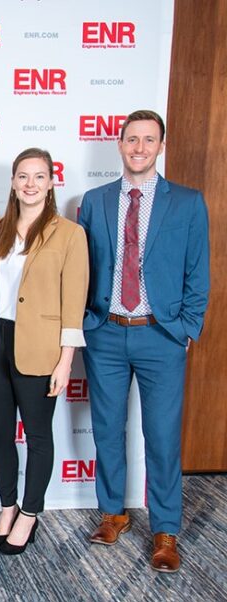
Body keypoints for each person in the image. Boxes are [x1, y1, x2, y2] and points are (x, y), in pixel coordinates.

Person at [79, 110, 210, 573]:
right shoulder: (94, 201)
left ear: (161, 145)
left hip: (162, 335)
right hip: (107, 332)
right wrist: (85, 322)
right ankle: (113, 512)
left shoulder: (188, 203)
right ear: (119, 143)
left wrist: (187, 327)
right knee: (108, 430)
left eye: (148, 140)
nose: (139, 147)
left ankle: (165, 529)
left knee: (161, 437)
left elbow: (198, 271)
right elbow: (83, 269)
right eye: (131, 139)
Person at [0, 148, 88, 555]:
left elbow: (73, 303)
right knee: (0, 434)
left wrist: (65, 360)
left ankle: (30, 513)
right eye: (22, 176)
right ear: (12, 182)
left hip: (40, 349)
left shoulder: (69, 234)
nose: (30, 184)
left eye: (38, 176)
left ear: (51, 182)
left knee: (38, 436)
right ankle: (7, 505)